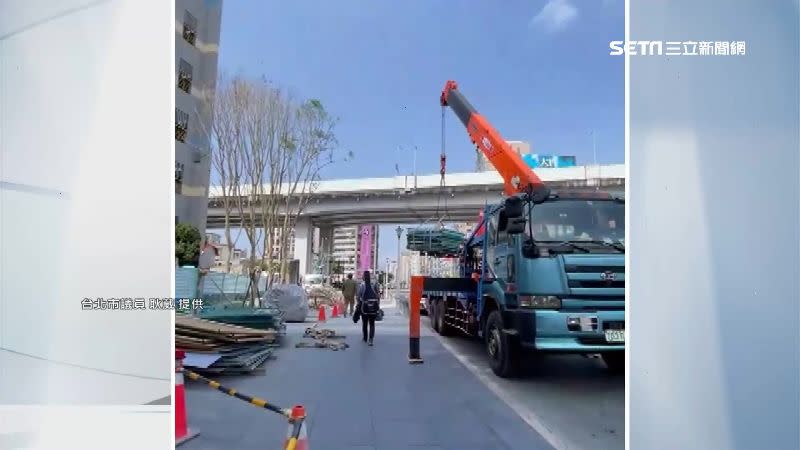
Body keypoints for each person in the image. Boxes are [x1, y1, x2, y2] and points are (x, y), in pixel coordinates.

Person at [357, 271, 381, 346]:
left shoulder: (362, 285)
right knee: (372, 323)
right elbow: (378, 295)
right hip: (373, 307)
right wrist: (377, 304)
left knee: (364, 323)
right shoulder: (374, 284)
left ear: (363, 277)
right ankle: (371, 340)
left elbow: (359, 296)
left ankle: (365, 338)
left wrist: (359, 304)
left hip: (365, 307)